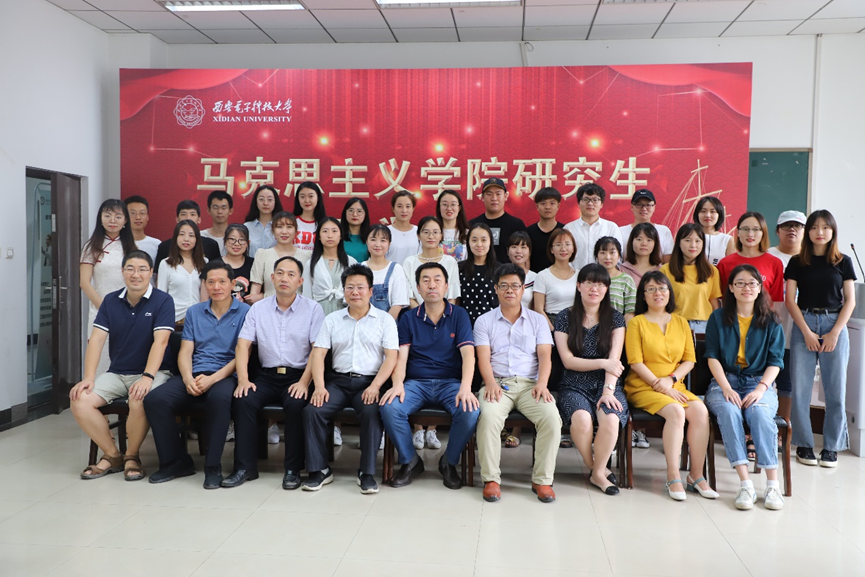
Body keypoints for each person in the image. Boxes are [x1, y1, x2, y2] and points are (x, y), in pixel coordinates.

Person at [144, 261, 250, 489]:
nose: (216, 287)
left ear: (233, 284)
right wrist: (187, 378)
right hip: (194, 373)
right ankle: (176, 462)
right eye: (211, 282)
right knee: (155, 400)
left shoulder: (245, 312)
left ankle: (213, 467)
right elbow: (185, 352)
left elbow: (243, 355)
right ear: (204, 285)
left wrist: (213, 379)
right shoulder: (195, 312)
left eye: (222, 281)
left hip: (226, 375)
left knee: (219, 399)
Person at [69, 250, 174, 481]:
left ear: (151, 273)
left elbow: (161, 342)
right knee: (80, 399)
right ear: (122, 271)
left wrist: (147, 377)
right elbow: (97, 340)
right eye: (130, 269)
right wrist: (88, 377)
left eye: (142, 269)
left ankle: (132, 456)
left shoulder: (163, 300)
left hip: (154, 373)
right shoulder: (110, 300)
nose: (136, 274)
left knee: (139, 398)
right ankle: (113, 454)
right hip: (117, 373)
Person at [222, 256, 325, 489]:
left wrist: (304, 382)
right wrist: (243, 380)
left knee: (296, 404)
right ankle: (245, 467)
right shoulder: (258, 309)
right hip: (266, 376)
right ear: (272, 278)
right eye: (279, 273)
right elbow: (243, 346)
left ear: (300, 281)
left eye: (290, 274)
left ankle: (293, 470)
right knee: (243, 400)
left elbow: (317, 351)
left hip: (298, 376)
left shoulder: (313, 309)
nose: (284, 278)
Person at [379, 262, 479, 489]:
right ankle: (411, 461)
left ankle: (449, 462)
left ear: (446, 286)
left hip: (450, 383)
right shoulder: (408, 318)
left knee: (470, 411)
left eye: (437, 280)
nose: (431, 285)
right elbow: (401, 357)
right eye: (426, 280)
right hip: (416, 383)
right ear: (418, 288)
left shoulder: (459, 315)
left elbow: (468, 355)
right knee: (390, 407)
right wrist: (397, 384)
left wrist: (466, 388)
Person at [302, 264, 398, 494]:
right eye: (350, 287)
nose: (355, 292)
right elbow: (319, 354)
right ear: (343, 290)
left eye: (360, 287)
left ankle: (366, 473)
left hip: (369, 382)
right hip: (338, 382)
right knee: (312, 411)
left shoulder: (384, 320)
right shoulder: (332, 319)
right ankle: (319, 470)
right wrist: (319, 386)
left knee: (372, 412)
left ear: (371, 291)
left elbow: (391, 357)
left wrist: (376, 386)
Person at [625, 271, 717, 501]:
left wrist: (672, 380)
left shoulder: (681, 322)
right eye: (651, 289)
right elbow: (635, 362)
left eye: (662, 288)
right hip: (643, 387)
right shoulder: (636, 323)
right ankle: (673, 475)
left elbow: (690, 360)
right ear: (643, 295)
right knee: (676, 411)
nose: (657, 293)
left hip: (675, 385)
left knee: (700, 411)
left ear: (669, 293)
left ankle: (696, 475)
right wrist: (661, 385)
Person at [475, 263, 560, 503]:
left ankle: (542, 480)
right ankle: (491, 480)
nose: (509, 290)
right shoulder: (484, 321)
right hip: (497, 383)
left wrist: (542, 384)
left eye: (515, 285)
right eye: (504, 286)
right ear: (496, 289)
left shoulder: (538, 320)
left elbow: (545, 356)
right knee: (488, 417)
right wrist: (490, 383)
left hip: (531, 385)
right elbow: (483, 357)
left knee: (551, 419)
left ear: (523, 289)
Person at [704, 264, 786, 510]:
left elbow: (776, 362)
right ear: (730, 287)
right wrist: (726, 388)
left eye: (752, 283)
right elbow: (712, 356)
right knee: (729, 411)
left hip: (759, 382)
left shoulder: (771, 320)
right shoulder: (718, 317)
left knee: (760, 413)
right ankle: (745, 484)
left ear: (760, 288)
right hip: (724, 382)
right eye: (739, 283)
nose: (746, 288)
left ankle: (772, 485)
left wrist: (761, 389)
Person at [786, 210, 856, 468]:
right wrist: (806, 331)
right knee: (800, 389)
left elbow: (850, 301)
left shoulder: (843, 261)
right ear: (808, 232)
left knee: (836, 390)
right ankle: (804, 444)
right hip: (804, 323)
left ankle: (831, 447)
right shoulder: (797, 262)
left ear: (833, 231)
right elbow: (789, 300)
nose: (820, 232)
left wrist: (835, 332)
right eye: (814, 227)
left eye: (825, 227)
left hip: (834, 323)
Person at [555, 264, 628, 496]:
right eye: (589, 283)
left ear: (606, 289)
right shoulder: (565, 317)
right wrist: (602, 362)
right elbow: (568, 361)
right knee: (582, 420)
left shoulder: (616, 319)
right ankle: (596, 469)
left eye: (600, 284)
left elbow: (614, 361)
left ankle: (597, 472)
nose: (594, 288)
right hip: (573, 383)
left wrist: (608, 391)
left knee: (611, 418)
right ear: (579, 286)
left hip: (607, 383)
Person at [80, 199, 137, 375]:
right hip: (100, 310)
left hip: (127, 310)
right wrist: (105, 308)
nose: (112, 220)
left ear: (125, 220)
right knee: (99, 357)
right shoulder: (91, 247)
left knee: (127, 356)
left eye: (118, 216)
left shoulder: (131, 248)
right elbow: (84, 282)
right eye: (107, 215)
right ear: (100, 218)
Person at [767, 210, 807, 426]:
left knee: (787, 385)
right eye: (786, 225)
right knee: (760, 380)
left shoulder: (810, 259)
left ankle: (783, 429)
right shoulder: (767, 256)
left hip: (797, 331)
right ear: (777, 231)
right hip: (767, 330)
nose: (792, 230)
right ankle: (754, 430)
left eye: (797, 226)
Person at [662, 224, 722, 334]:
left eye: (698, 241)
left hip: (704, 326)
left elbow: (715, 304)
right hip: (674, 324)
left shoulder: (711, 271)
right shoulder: (666, 270)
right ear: (679, 243)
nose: (693, 245)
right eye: (688, 240)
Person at [717, 212, 784, 304]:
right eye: (745, 229)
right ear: (738, 232)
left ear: (763, 233)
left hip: (764, 313)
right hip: (732, 313)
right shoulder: (724, 263)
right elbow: (720, 299)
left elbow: (776, 300)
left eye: (756, 229)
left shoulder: (775, 263)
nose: (750, 234)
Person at [248, 212, 311, 304]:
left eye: (289, 227)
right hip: (269, 308)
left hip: (299, 308)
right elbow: (254, 295)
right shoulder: (263, 255)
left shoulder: (307, 256)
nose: (284, 231)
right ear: (273, 231)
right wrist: (263, 297)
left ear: (296, 231)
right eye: (279, 227)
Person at [303, 217, 358, 316]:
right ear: (319, 236)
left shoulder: (351, 262)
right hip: (318, 314)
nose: (330, 235)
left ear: (340, 235)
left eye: (334, 231)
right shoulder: (311, 263)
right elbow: (307, 295)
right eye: (325, 231)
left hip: (345, 314)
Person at [403, 215, 461, 308]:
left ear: (441, 236)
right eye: (426, 232)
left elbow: (452, 296)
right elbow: (409, 297)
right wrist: (422, 314)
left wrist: (443, 314)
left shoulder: (450, 262)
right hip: (416, 314)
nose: (431, 236)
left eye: (435, 232)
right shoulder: (409, 262)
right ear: (418, 235)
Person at [157, 220, 206, 326]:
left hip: (198, 319)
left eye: (191, 235)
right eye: (182, 234)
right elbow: (161, 294)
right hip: (174, 318)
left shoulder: (204, 262)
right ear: (175, 237)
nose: (186, 239)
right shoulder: (166, 263)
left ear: (197, 239)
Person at [563, 183, 621, 271]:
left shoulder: (611, 227)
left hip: (604, 277)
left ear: (601, 204)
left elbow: (617, 256)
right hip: (575, 277)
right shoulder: (569, 228)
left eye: (595, 200)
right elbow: (564, 256)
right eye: (586, 199)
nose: (590, 203)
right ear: (578, 203)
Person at [469, 177, 527, 264]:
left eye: (498, 194)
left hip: (508, 272)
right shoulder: (473, 224)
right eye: (489, 194)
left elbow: (525, 255)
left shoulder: (516, 224)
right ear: (482, 197)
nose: (494, 198)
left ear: (505, 196)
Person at [154, 200, 221, 271]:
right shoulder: (164, 247)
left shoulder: (211, 245)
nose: (188, 218)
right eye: (183, 214)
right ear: (177, 219)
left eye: (192, 214)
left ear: (199, 219)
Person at [533, 228, 578, 331]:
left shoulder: (580, 275)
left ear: (573, 248)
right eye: (558, 245)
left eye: (567, 244)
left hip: (576, 324)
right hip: (551, 323)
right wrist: (553, 330)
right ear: (551, 249)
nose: (563, 248)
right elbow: (538, 309)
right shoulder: (542, 276)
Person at [362, 224, 410, 320]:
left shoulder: (396, 269)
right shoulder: (359, 268)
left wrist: (383, 325)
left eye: (383, 240)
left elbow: (398, 304)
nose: (377, 244)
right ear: (366, 242)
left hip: (388, 324)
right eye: (373, 239)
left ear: (389, 244)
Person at [458, 223, 499, 325]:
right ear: (468, 242)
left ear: (490, 242)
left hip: (494, 325)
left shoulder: (500, 270)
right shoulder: (459, 268)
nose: (479, 244)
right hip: (465, 325)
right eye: (474, 240)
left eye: (484, 240)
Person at [618, 189, 674, 262]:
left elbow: (668, 261)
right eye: (639, 204)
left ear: (654, 207)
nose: (644, 209)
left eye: (648, 205)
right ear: (632, 207)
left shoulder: (664, 231)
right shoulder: (620, 231)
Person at [595, 236, 636, 322]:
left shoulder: (626, 280)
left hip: (617, 327)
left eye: (612, 252)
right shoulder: (590, 278)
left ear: (619, 256)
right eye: (603, 252)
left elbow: (630, 311)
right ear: (596, 256)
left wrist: (622, 328)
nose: (607, 257)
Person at [526, 187, 564, 273]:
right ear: (537, 206)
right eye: (543, 203)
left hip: (559, 277)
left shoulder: (564, 231)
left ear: (558, 206)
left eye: (552, 203)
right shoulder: (528, 232)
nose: (547, 207)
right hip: (534, 278)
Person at [215, 224, 254, 301]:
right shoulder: (214, 265)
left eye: (241, 240)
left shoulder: (254, 264)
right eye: (232, 239)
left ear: (247, 243)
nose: (236, 243)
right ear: (224, 241)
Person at [693, 197, 735, 267]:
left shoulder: (727, 240)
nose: (707, 215)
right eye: (703, 211)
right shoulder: (690, 237)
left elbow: (730, 267)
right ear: (697, 214)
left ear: (719, 215)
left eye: (712, 211)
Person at [243, 185, 282, 257]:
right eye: (261, 199)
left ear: (275, 202)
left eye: (270, 199)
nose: (265, 203)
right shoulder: (247, 227)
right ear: (256, 202)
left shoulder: (281, 227)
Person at [292, 181, 327, 256]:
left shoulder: (325, 224)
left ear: (318, 198)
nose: (307, 200)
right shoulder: (291, 222)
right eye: (302, 197)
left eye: (311, 196)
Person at [506, 231, 537, 312]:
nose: (518, 251)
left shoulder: (535, 278)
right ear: (507, 251)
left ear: (529, 252)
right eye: (514, 247)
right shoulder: (500, 275)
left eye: (523, 247)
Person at [386, 190, 418, 266]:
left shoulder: (419, 231)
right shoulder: (385, 232)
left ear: (413, 208)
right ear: (393, 209)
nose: (404, 210)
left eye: (408, 206)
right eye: (399, 206)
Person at [125, 195, 160, 264]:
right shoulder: (117, 243)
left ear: (147, 217)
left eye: (142, 213)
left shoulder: (157, 245)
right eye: (133, 213)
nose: (138, 217)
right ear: (125, 217)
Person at [437, 189, 469, 262]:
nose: (449, 208)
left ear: (459, 208)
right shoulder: (432, 233)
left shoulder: (468, 233)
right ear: (439, 207)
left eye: (453, 204)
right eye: (445, 204)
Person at [341, 197, 371, 262]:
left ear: (365, 214)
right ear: (345, 213)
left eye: (359, 211)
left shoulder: (371, 237)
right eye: (351, 210)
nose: (354, 214)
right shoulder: (337, 236)